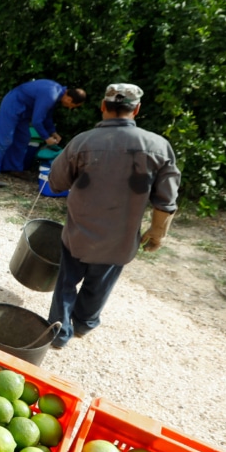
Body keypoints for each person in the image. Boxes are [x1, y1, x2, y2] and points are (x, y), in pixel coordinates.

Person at [45, 83, 180, 349]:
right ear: (137, 109)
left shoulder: (83, 142)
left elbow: (56, 183)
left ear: (103, 106)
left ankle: (59, 332)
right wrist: (157, 233)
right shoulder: (158, 147)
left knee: (66, 282)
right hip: (119, 240)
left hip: (78, 236)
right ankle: (84, 323)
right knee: (100, 283)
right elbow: (166, 200)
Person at [0, 80, 86, 187]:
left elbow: (47, 115)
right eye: (72, 105)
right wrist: (46, 137)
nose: (70, 108)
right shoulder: (51, 94)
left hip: (24, 111)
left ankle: (14, 168)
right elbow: (37, 121)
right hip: (12, 105)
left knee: (24, 138)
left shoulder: (56, 92)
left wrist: (53, 132)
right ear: (69, 99)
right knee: (4, 139)